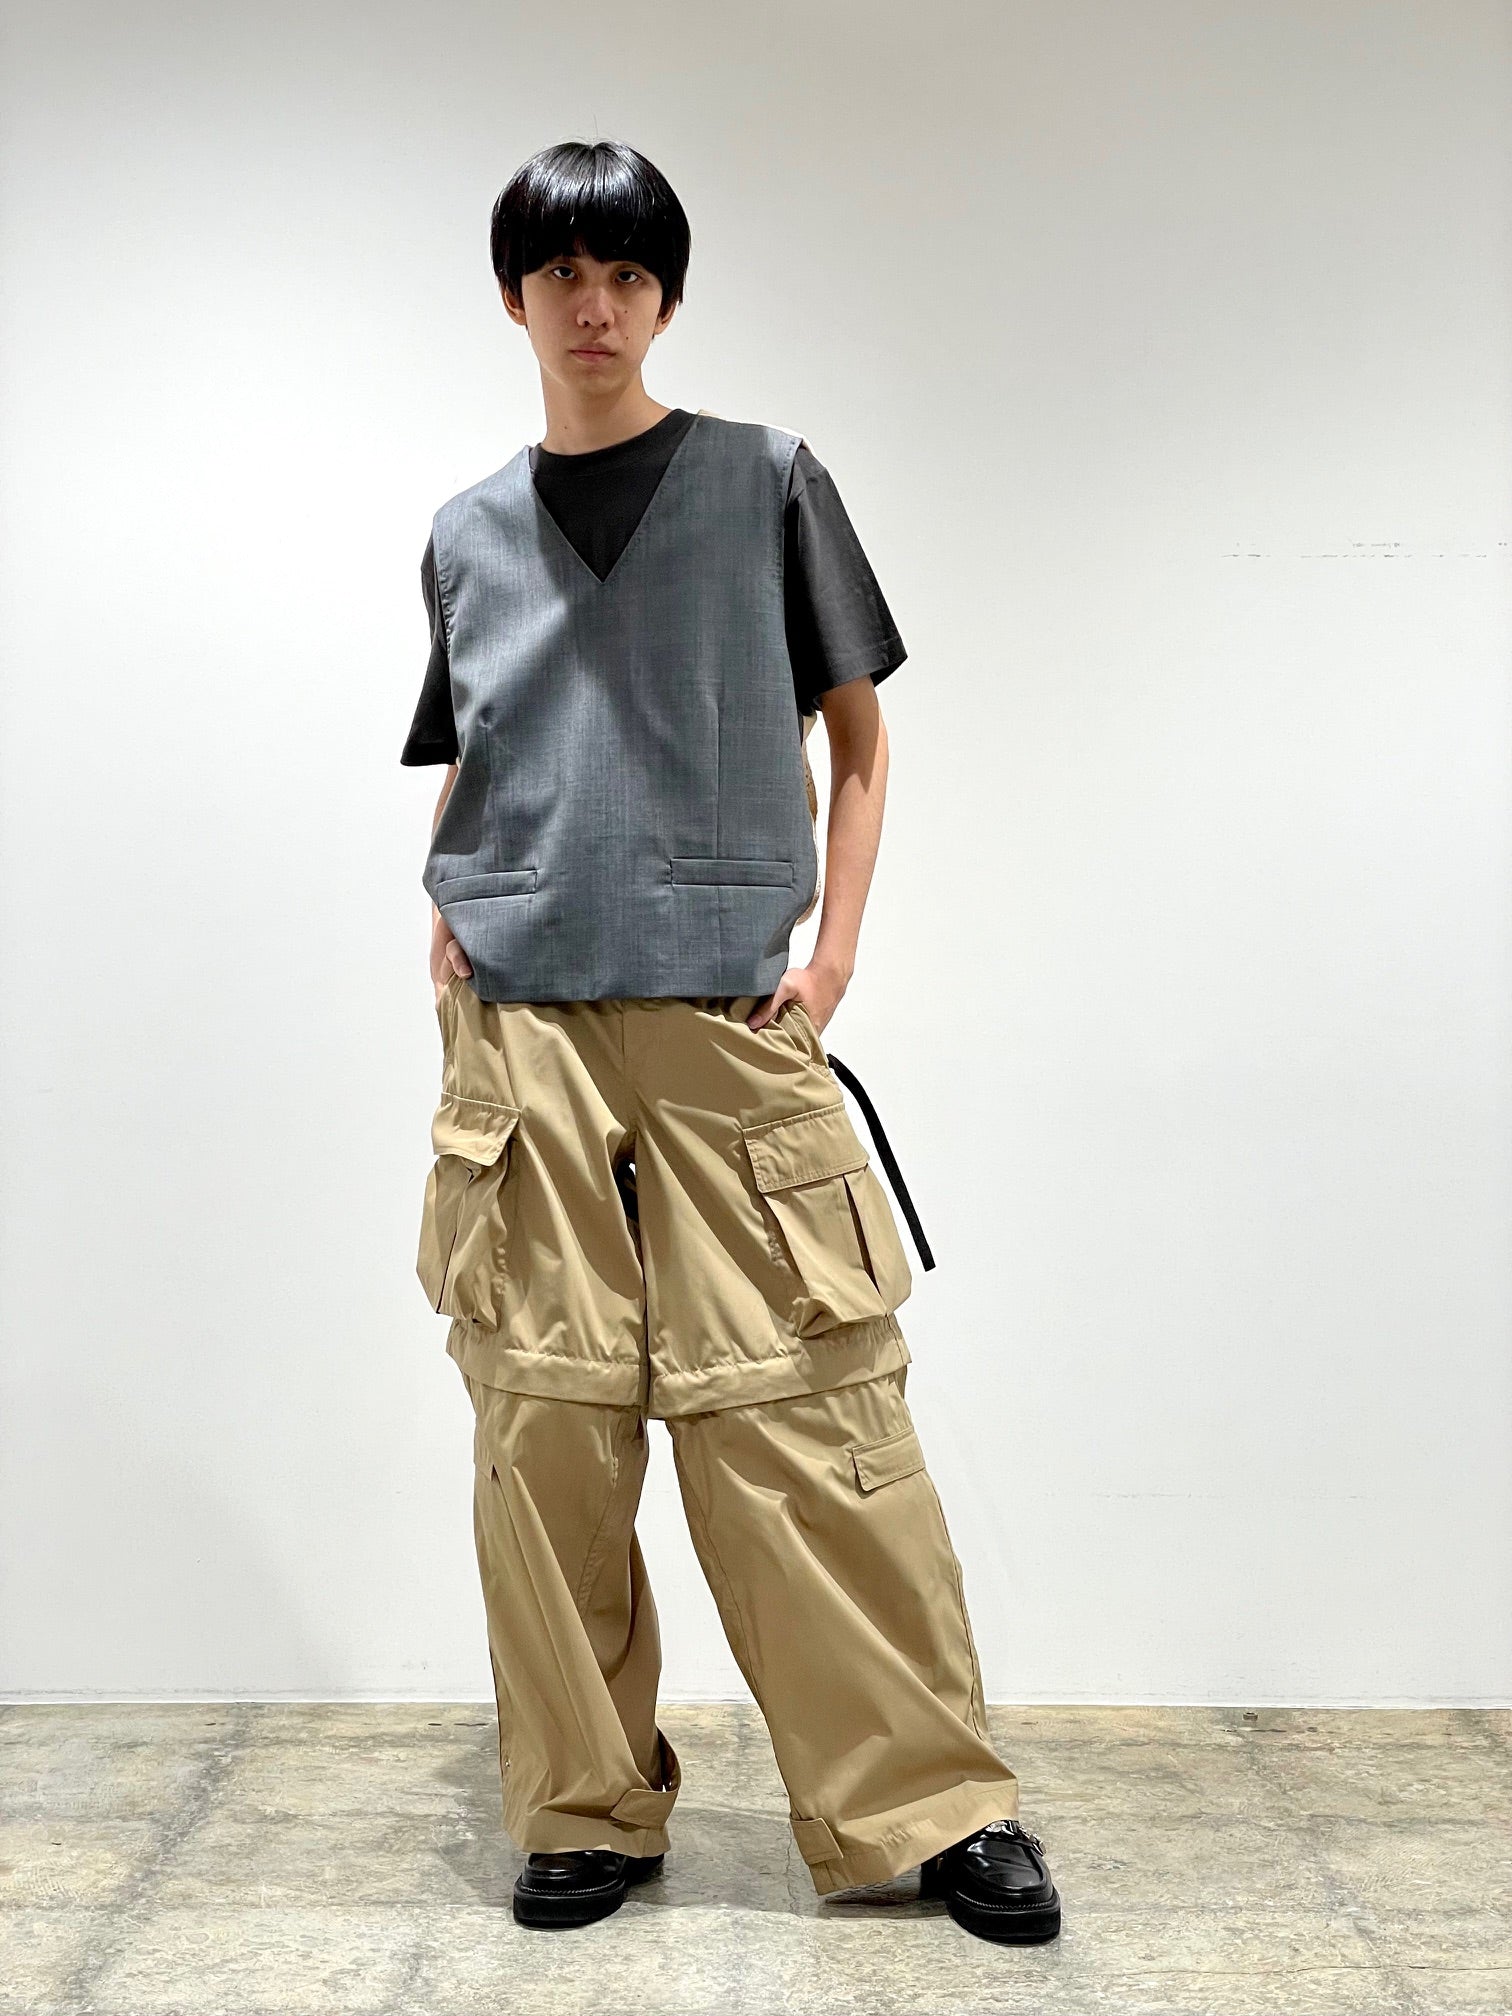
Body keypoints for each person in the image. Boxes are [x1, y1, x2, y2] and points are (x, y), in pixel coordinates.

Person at [401, 137, 1060, 1946]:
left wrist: (833, 961)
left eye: (626, 275)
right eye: (561, 276)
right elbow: (477, 746)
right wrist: (445, 910)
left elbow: (858, 737)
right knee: (542, 1429)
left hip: (724, 1017)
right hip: (522, 1035)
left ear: (666, 297)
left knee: (809, 1414)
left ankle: (930, 1808)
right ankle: (583, 1805)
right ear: (516, 299)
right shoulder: (465, 532)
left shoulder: (768, 481)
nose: (594, 307)